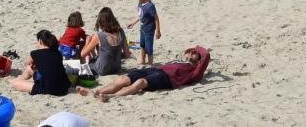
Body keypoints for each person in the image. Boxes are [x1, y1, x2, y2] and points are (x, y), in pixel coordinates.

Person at [75, 46, 209, 102]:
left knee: (140, 83)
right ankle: (96, 92)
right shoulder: (177, 60)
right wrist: (192, 50)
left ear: (198, 58)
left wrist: (197, 49)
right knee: (124, 78)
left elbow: (206, 54)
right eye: (189, 52)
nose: (191, 54)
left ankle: (110, 96)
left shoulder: (194, 70)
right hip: (157, 70)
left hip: (167, 79)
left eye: (194, 54)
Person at [9, 30, 70, 96]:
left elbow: (27, 63)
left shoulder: (35, 53)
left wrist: (36, 61)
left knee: (16, 84)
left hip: (49, 89)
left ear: (40, 41)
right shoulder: (57, 53)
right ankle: (17, 79)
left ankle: (15, 81)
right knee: (30, 69)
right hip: (64, 87)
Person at [78, 8, 128, 76]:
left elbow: (82, 54)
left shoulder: (99, 35)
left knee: (88, 63)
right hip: (116, 67)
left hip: (102, 70)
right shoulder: (121, 31)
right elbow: (127, 55)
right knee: (97, 57)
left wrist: (87, 41)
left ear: (101, 22)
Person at [127, 0, 160, 66]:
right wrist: (133, 23)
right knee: (142, 45)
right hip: (142, 28)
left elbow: (156, 18)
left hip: (149, 30)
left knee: (149, 48)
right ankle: (142, 60)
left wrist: (158, 31)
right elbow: (140, 15)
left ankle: (150, 64)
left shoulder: (150, 6)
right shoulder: (140, 2)